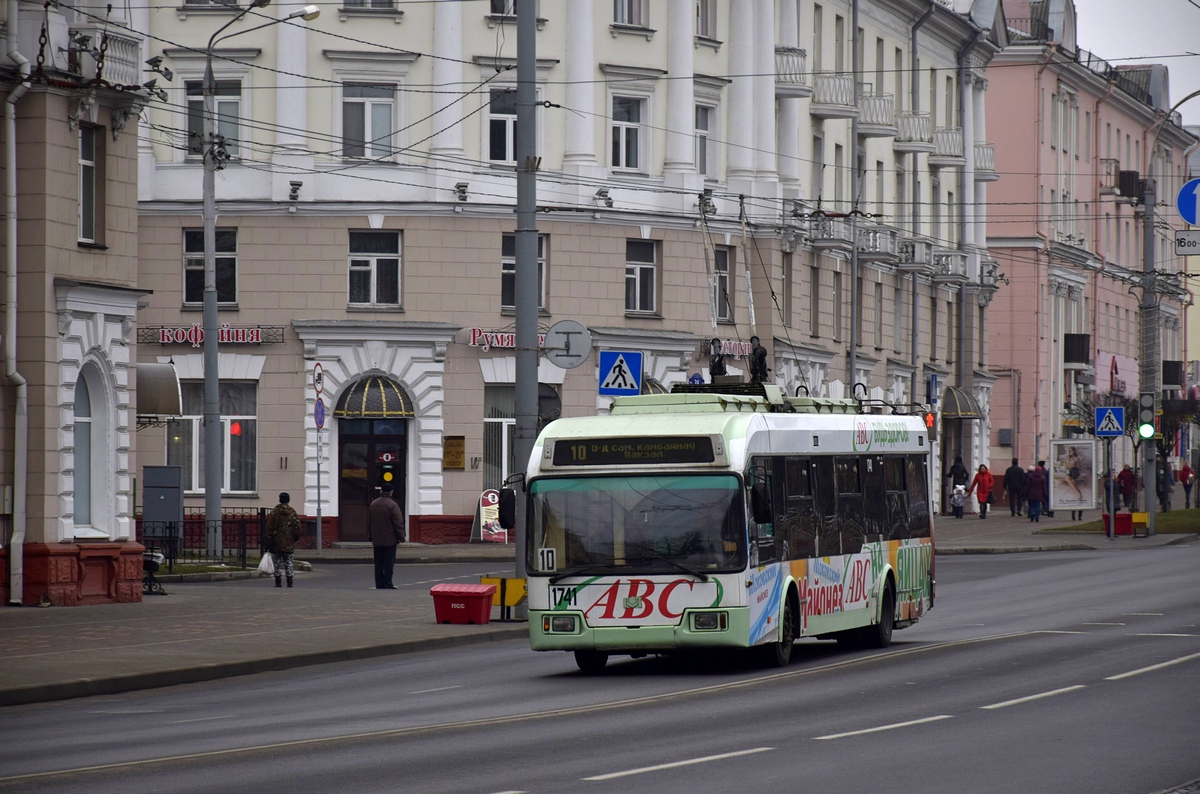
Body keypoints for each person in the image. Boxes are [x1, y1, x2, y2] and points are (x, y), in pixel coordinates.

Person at [368, 484, 406, 590]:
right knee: (389, 562)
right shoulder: (392, 505)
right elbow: (398, 523)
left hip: (377, 539)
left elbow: (369, 522)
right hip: (390, 539)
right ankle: (388, 582)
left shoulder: (373, 504)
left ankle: (379, 583)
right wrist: (401, 536)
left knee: (378, 562)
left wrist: (370, 536)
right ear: (391, 492)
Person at [264, 492, 302, 588]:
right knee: (289, 562)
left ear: (279, 500)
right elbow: (297, 528)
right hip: (288, 542)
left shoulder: (274, 512)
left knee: (276, 561)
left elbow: (269, 528)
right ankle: (289, 582)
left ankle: (278, 581)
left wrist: (269, 539)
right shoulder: (292, 512)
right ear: (288, 500)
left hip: (276, 542)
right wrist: (294, 539)